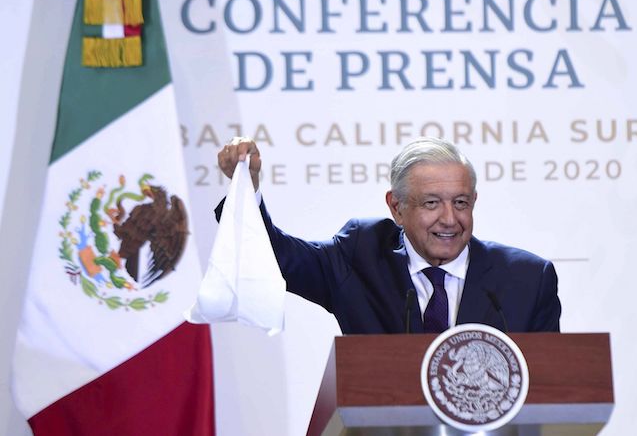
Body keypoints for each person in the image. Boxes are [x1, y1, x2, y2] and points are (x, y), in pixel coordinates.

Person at [215, 137, 561, 334]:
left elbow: (556, 393)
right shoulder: (360, 255)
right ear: (396, 207)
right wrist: (246, 188)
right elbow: (276, 258)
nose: (450, 219)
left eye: (460, 202)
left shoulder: (528, 279)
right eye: (431, 203)